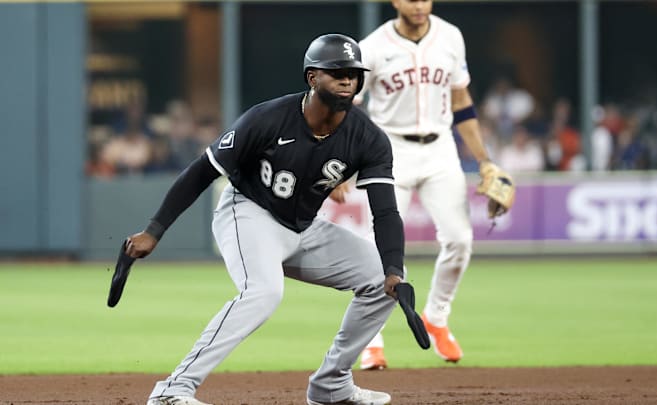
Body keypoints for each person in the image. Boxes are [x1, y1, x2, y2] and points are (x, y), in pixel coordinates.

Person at [123, 33, 405, 405]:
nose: (347, 79)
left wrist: (394, 269)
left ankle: (331, 386)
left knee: (378, 279)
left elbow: (385, 210)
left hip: (303, 227)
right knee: (263, 292)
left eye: (353, 73)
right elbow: (201, 172)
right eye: (336, 71)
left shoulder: (369, 138)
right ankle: (173, 390)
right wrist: (154, 230)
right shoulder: (268, 118)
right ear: (312, 78)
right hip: (248, 212)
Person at [336, 0, 506, 370]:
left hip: (441, 147)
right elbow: (344, 106)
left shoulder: (450, 37)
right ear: (395, 2)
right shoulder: (373, 47)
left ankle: (437, 318)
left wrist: (484, 160)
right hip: (389, 147)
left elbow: (461, 102)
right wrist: (337, 165)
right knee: (377, 247)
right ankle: (370, 340)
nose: (419, 5)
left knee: (460, 239)